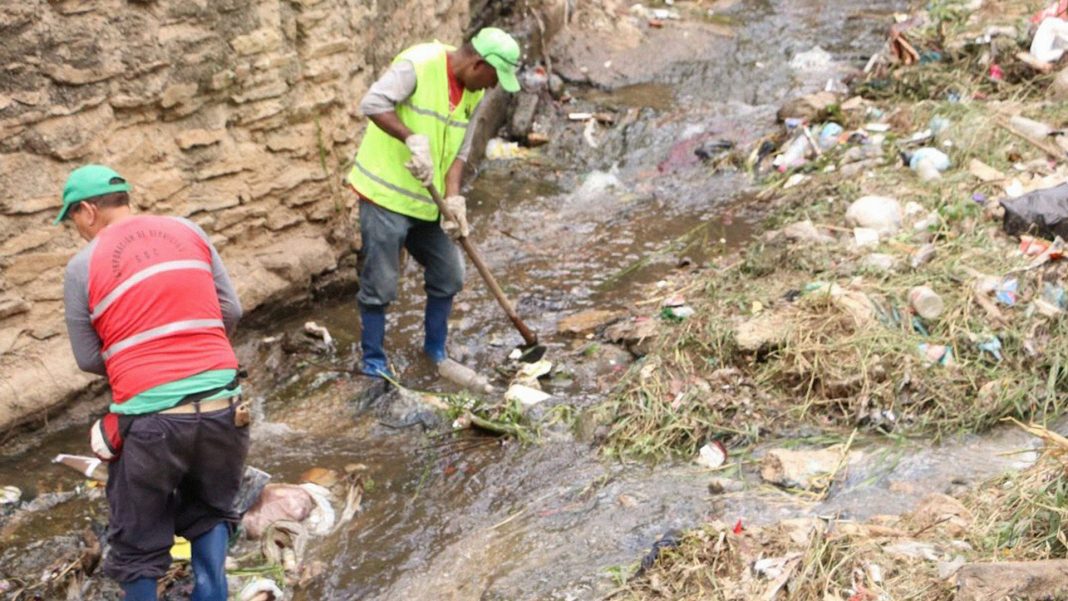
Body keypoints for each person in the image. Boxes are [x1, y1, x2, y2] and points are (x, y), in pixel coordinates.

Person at [58, 164, 249, 601]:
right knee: (210, 511)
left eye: (73, 221)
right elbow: (231, 311)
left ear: (88, 211)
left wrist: (142, 363)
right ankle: (212, 592)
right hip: (225, 404)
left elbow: (88, 357)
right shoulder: (189, 231)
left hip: (151, 422)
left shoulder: (82, 265)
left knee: (138, 542)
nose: (77, 231)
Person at [346, 27, 521, 381]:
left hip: (429, 202)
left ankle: (435, 352)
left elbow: (460, 148)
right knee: (381, 283)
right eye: (492, 78)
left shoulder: (471, 93)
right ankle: (374, 362)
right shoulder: (419, 64)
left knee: (449, 273)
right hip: (386, 195)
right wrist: (410, 138)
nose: (492, 87)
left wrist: (454, 199)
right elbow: (373, 102)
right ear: (477, 63)